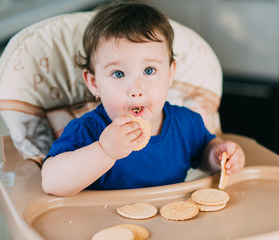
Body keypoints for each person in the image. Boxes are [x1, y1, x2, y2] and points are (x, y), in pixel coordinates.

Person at [41, 2, 245, 197]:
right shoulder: (86, 131)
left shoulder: (187, 124)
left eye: (149, 70)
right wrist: (104, 151)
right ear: (94, 83)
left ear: (170, 73)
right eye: (119, 73)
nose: (136, 89)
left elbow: (204, 154)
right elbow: (51, 182)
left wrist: (219, 156)